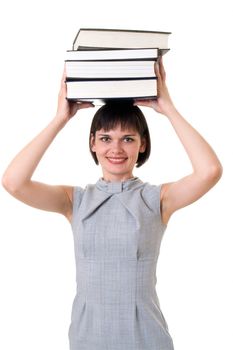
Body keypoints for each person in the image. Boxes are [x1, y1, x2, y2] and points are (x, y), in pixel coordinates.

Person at [2, 57, 223, 350]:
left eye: (128, 138)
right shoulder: (75, 200)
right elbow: (13, 182)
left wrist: (168, 108)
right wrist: (59, 119)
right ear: (93, 142)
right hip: (87, 340)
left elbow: (209, 171)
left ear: (142, 144)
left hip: (145, 339)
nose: (116, 149)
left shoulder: (158, 199)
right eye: (106, 138)